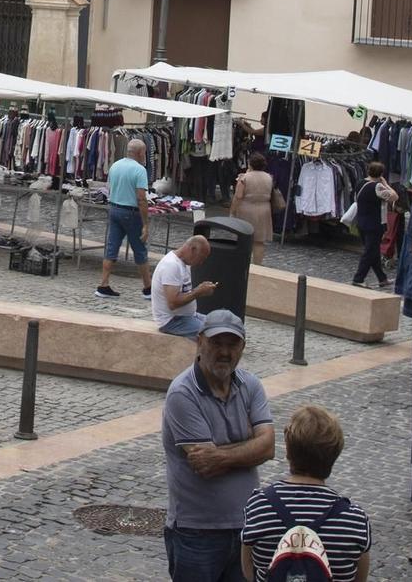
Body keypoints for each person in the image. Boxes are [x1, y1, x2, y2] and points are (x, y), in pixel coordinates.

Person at [161, 310, 277, 582]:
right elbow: (205, 465)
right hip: (196, 532)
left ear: (243, 348)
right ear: (199, 342)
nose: (224, 352)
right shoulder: (183, 393)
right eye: (216, 343)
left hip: (246, 528)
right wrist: (249, 444)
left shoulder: (250, 385)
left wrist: (221, 452)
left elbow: (268, 447)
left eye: (232, 344)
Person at [240, 405, 372, 581]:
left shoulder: (259, 505)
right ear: (335, 454)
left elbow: (249, 570)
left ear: (288, 450)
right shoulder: (354, 520)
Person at [97, 137, 155, 298]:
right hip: (131, 212)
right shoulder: (139, 170)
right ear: (140, 152)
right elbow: (141, 198)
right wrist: (145, 224)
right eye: (144, 152)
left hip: (114, 208)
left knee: (112, 247)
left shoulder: (115, 165)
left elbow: (109, 187)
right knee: (140, 250)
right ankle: (148, 288)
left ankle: (103, 284)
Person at [154, 235, 220, 336]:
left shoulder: (184, 263)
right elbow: (173, 303)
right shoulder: (171, 265)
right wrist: (198, 291)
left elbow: (184, 293)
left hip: (188, 316)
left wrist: (202, 291)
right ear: (192, 249)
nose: (201, 263)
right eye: (201, 258)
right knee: (213, 334)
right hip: (173, 321)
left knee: (223, 326)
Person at [349, 162, 395, 289]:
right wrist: (385, 184)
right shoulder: (378, 187)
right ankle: (358, 278)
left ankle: (382, 278)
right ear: (381, 174)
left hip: (361, 222)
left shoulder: (360, 183)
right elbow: (394, 197)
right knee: (369, 252)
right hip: (374, 224)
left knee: (373, 251)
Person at [230, 154, 276, 266]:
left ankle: (241, 263)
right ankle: (257, 264)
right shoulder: (269, 177)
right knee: (259, 241)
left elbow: (238, 196)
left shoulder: (245, 178)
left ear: (250, 164)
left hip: (247, 208)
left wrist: (232, 211)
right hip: (264, 209)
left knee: (243, 238)